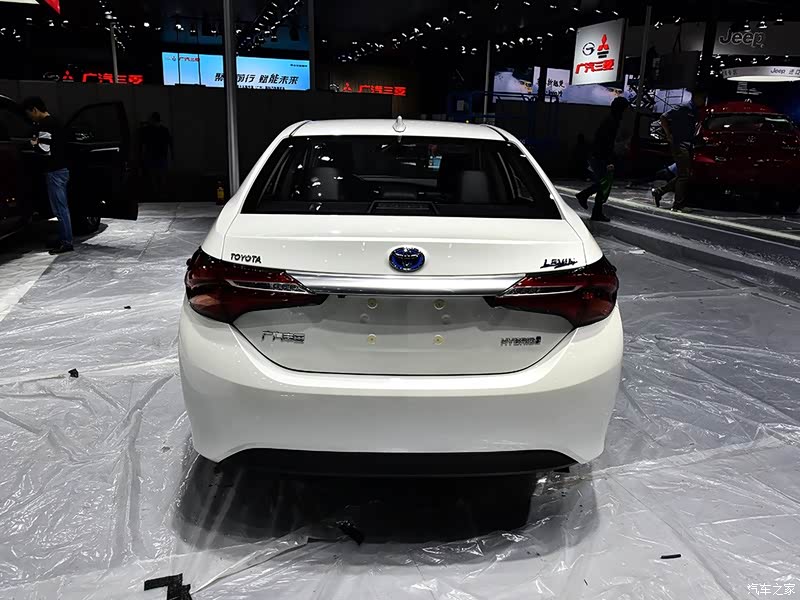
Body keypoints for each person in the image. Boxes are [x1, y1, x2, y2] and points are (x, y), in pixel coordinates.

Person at [22, 96, 73, 254]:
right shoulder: (56, 122)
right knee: (61, 208)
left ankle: (66, 242)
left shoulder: (46, 124)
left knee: (60, 209)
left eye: (29, 114)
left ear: (35, 110)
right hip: (61, 169)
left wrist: (33, 144)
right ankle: (64, 238)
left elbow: (44, 149)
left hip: (55, 171)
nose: (30, 118)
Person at [651, 89, 708, 211]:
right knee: (683, 176)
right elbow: (663, 117)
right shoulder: (684, 107)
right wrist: (668, 135)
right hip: (680, 144)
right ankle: (678, 205)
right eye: (702, 98)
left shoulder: (695, 110)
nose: (704, 101)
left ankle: (660, 191)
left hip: (688, 144)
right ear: (696, 97)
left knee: (684, 174)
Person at [575, 97, 630, 222]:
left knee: (603, 183)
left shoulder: (610, 120)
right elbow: (607, 142)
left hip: (599, 155)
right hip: (601, 156)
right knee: (604, 183)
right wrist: (609, 160)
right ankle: (585, 197)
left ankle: (594, 209)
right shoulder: (612, 122)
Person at [139, 112, 172, 200]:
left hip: (151, 156)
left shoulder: (147, 130)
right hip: (161, 156)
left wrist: (142, 156)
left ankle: (156, 193)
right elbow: (169, 143)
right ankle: (163, 194)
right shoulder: (164, 130)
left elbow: (143, 144)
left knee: (153, 176)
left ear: (152, 120)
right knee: (162, 175)